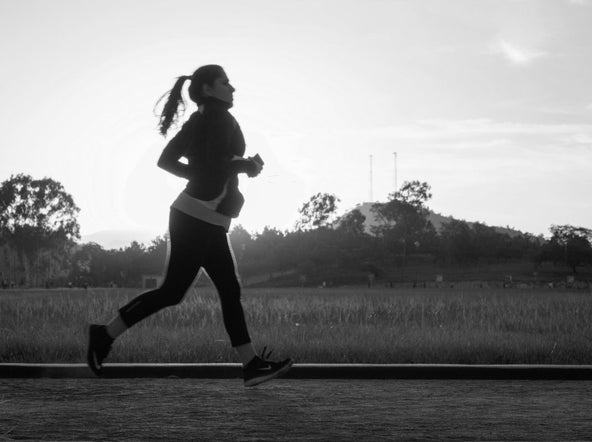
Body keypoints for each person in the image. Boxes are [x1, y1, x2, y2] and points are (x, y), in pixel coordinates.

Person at [87, 64, 293, 387]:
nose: (232, 88)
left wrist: (218, 172)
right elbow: (209, 164)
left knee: (228, 288)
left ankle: (251, 364)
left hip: (206, 219)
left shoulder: (205, 120)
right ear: (209, 89)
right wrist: (244, 165)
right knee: (173, 292)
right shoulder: (213, 119)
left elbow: (173, 161)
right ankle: (104, 334)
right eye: (225, 82)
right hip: (194, 218)